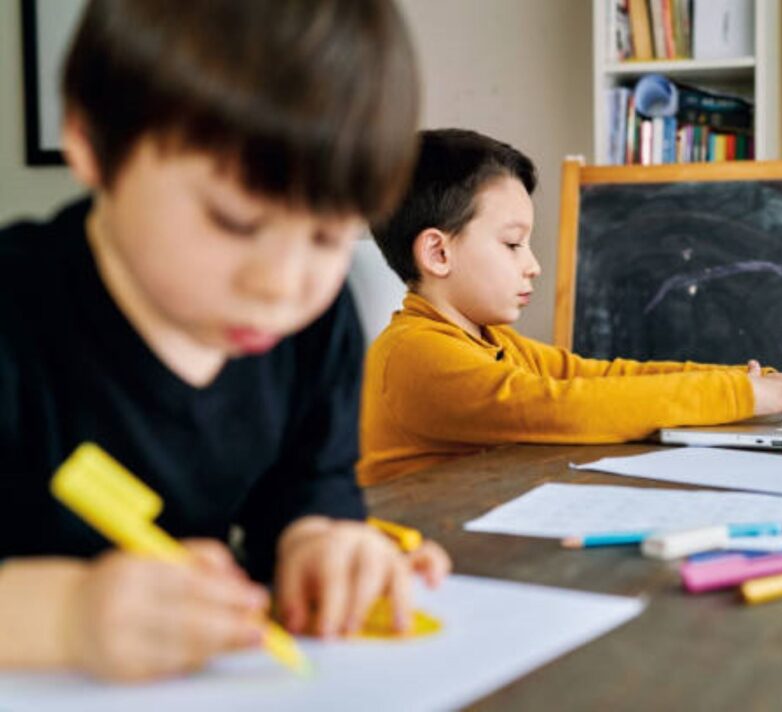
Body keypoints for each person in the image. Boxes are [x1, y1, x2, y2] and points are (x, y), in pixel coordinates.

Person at [0, 0, 448, 681]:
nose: (282, 284)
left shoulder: (313, 326)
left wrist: (320, 544)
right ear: (90, 143)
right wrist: (65, 616)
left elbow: (307, 490)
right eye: (236, 222)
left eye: (330, 236)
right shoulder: (16, 317)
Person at [359, 128, 782, 486]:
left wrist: (749, 381)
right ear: (438, 253)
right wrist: (741, 394)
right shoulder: (413, 355)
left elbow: (598, 377)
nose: (532, 265)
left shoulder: (490, 342)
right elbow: (563, 408)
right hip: (418, 563)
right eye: (513, 245)